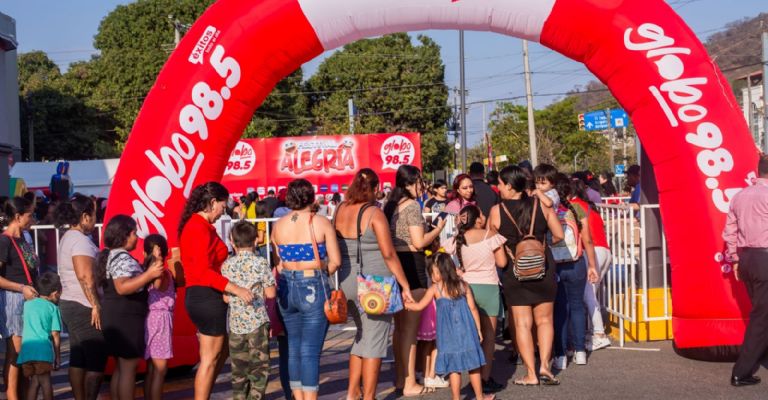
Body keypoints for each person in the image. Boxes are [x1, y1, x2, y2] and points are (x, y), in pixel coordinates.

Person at [333, 169, 414, 400]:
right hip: (373, 285)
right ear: (375, 187)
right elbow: (388, 254)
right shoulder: (374, 213)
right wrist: (405, 285)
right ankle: (369, 396)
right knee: (375, 341)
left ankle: (352, 393)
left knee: (361, 336)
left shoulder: (339, 209)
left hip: (345, 281)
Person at [179, 182, 255, 400]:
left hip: (205, 295)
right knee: (210, 359)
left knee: (216, 355)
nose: (224, 211)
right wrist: (236, 289)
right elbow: (204, 271)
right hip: (205, 296)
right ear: (212, 203)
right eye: (223, 205)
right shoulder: (197, 228)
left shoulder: (199, 227)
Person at [489, 166, 564, 386]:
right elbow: (558, 235)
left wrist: (510, 255)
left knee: (522, 323)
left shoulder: (497, 211)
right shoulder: (540, 204)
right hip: (544, 267)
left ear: (510, 186)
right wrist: (540, 246)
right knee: (545, 320)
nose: (499, 188)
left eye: (501, 184)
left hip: (515, 271)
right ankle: (545, 368)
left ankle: (531, 373)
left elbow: (496, 252)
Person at [272, 179, 341, 400]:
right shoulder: (320, 222)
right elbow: (336, 261)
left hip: (286, 287)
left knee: (293, 347)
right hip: (312, 285)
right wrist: (322, 270)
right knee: (310, 352)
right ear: (311, 197)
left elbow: (278, 262)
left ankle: (297, 397)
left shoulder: (278, 225)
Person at [384, 165, 446, 396]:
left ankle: (401, 378)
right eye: (420, 182)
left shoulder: (390, 205)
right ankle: (410, 383)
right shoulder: (411, 206)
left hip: (395, 265)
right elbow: (419, 242)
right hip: (412, 263)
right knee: (409, 330)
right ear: (411, 183)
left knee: (399, 329)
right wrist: (437, 229)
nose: (423, 187)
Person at [404, 253, 493, 400]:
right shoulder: (463, 285)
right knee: (474, 365)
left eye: (434, 272)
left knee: (454, 368)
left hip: (447, 334)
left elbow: (419, 306)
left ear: (441, 272)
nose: (432, 275)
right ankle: (479, 396)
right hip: (467, 330)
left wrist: (405, 304)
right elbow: (473, 308)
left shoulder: (435, 289)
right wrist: (478, 328)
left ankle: (456, 398)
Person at [442, 205, 507, 393]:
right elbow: (502, 262)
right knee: (488, 337)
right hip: (489, 288)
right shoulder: (490, 235)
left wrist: (456, 272)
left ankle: (470, 376)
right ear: (478, 218)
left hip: (466, 288)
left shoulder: (458, 239)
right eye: (482, 213)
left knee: (470, 335)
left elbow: (440, 255)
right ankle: (484, 378)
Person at [98, 215, 164, 400]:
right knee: (129, 368)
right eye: (134, 233)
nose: (137, 237)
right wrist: (149, 274)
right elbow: (122, 286)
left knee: (121, 367)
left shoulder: (113, 255)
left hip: (117, 315)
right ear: (124, 236)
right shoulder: (122, 258)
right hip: (125, 318)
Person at [53, 195, 106, 400]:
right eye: (94, 214)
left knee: (79, 358)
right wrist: (95, 305)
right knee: (96, 359)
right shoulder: (80, 241)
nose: (95, 219)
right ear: (85, 216)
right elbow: (85, 276)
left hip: (71, 303)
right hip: (83, 305)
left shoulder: (69, 237)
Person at [723, 154, 768, 387]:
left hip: (747, 258)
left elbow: (729, 231)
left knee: (761, 313)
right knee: (761, 317)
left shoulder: (740, 196)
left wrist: (735, 259)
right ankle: (741, 371)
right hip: (765, 257)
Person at [222, 221, 276, 399]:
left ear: (232, 241)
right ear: (255, 241)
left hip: (236, 325)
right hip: (257, 323)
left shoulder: (227, 265)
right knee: (259, 369)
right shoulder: (261, 263)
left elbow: (225, 296)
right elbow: (270, 293)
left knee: (239, 370)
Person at [551, 175, 599, 369]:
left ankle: (561, 355)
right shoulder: (577, 209)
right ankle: (580, 352)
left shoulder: (549, 210)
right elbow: (587, 240)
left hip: (556, 265)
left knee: (560, 309)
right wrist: (592, 265)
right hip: (577, 263)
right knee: (578, 306)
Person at [0, 197, 40, 400]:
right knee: (15, 354)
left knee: (24, 353)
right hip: (14, 299)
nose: (32, 219)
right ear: (17, 216)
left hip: (27, 298)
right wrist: (21, 287)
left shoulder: (23, 238)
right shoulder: (4, 241)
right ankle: (12, 396)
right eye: (29, 215)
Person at [569, 180, 612, 351]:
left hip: (592, 251)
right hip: (605, 250)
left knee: (588, 295)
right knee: (592, 293)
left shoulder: (572, 206)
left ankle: (599, 334)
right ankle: (593, 332)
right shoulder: (588, 206)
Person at [17, 272, 61, 400]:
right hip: (42, 351)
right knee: (46, 382)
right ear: (54, 293)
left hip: (26, 351)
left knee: (35, 382)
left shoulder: (27, 304)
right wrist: (57, 357)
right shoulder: (52, 308)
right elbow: (55, 334)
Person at [143, 235, 175, 400]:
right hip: (160, 319)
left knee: (151, 369)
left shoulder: (148, 268)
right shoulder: (159, 269)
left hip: (150, 317)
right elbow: (158, 285)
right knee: (160, 370)